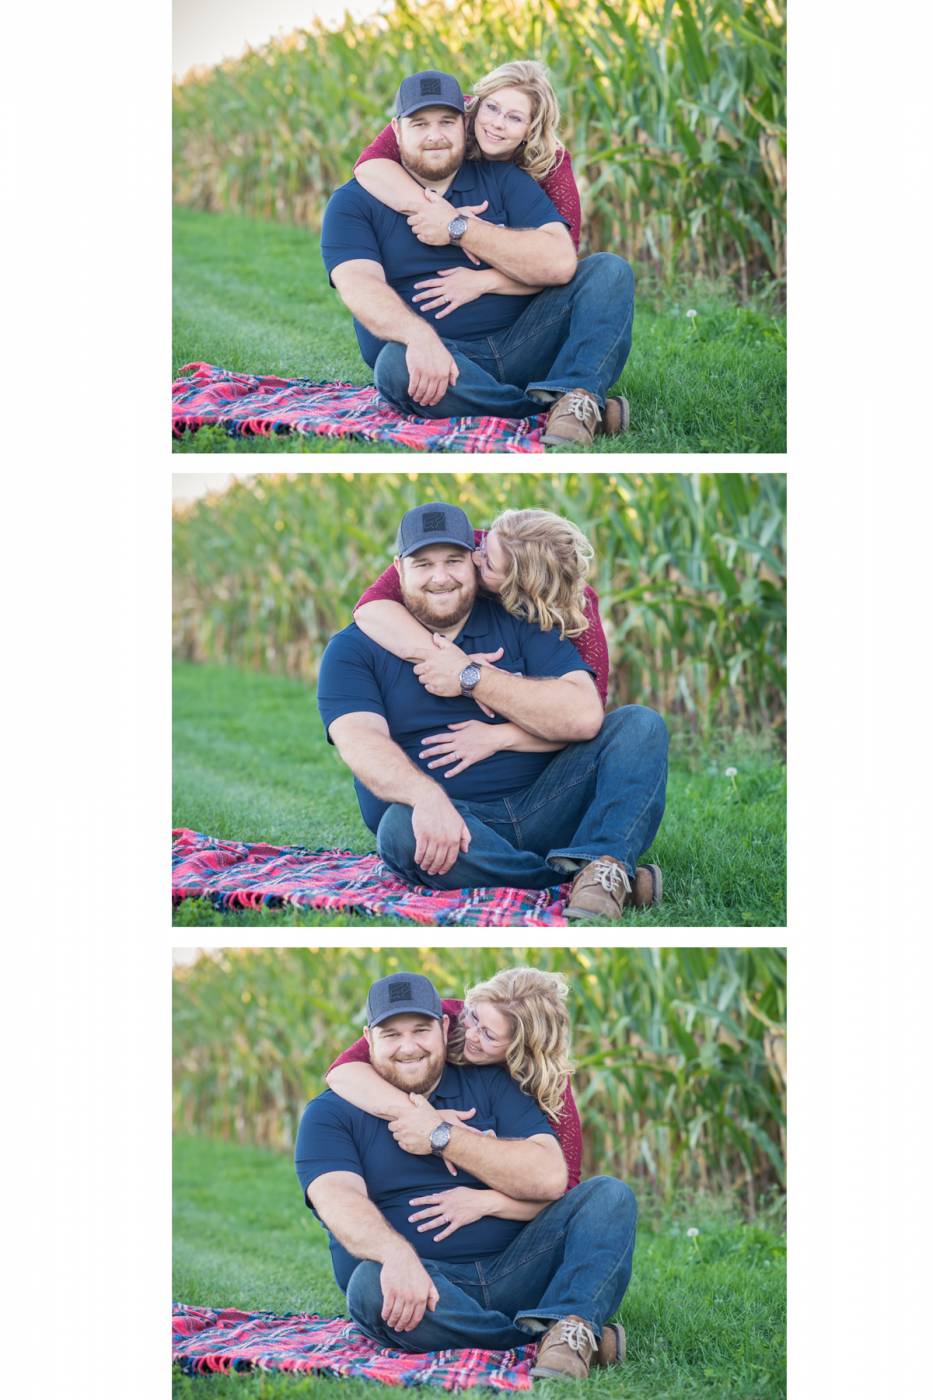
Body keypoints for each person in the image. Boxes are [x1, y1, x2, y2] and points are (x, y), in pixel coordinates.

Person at [316, 500, 668, 920]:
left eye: (455, 560)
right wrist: (426, 797)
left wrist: (472, 676)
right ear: (399, 569)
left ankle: (602, 860)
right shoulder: (352, 649)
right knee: (399, 829)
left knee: (639, 726)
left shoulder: (519, 615)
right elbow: (361, 742)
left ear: (474, 562)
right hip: (454, 827)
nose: (441, 577)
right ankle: (573, 879)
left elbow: (583, 714)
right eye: (423, 564)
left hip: (546, 804)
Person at [295, 970, 636, 1380]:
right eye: (391, 1035)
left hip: (517, 1268)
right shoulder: (329, 1113)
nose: (408, 1047)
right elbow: (338, 1200)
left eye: (421, 1030)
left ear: (443, 1026)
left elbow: (551, 1179)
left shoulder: (494, 1079)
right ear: (368, 1040)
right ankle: (553, 1335)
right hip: (424, 1286)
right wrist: (396, 1254)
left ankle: (563, 1323)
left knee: (609, 1196)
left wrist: (442, 1135)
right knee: (369, 1284)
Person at [319, 68, 635, 448]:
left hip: (525, 342)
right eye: (419, 124)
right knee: (394, 366)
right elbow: (360, 285)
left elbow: (560, 261)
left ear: (462, 125)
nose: (434, 135)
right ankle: (551, 408)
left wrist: (460, 228)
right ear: (397, 131)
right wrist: (419, 337)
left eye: (446, 122)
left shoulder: (505, 179)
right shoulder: (353, 202)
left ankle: (577, 392)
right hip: (441, 362)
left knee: (608, 271)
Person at [326, 967, 584, 1203]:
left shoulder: (552, 1083)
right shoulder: (448, 1017)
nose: (471, 1034)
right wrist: (426, 1119)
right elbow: (342, 1072)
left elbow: (564, 1187)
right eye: (474, 1017)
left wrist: (488, 1203)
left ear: (523, 1047)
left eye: (489, 1035)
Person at [353, 508, 611, 727]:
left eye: (488, 563)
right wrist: (456, 664)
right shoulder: (474, 544)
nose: (475, 557)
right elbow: (370, 608)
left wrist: (503, 737)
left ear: (519, 585)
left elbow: (589, 713)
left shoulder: (580, 610)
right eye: (482, 546)